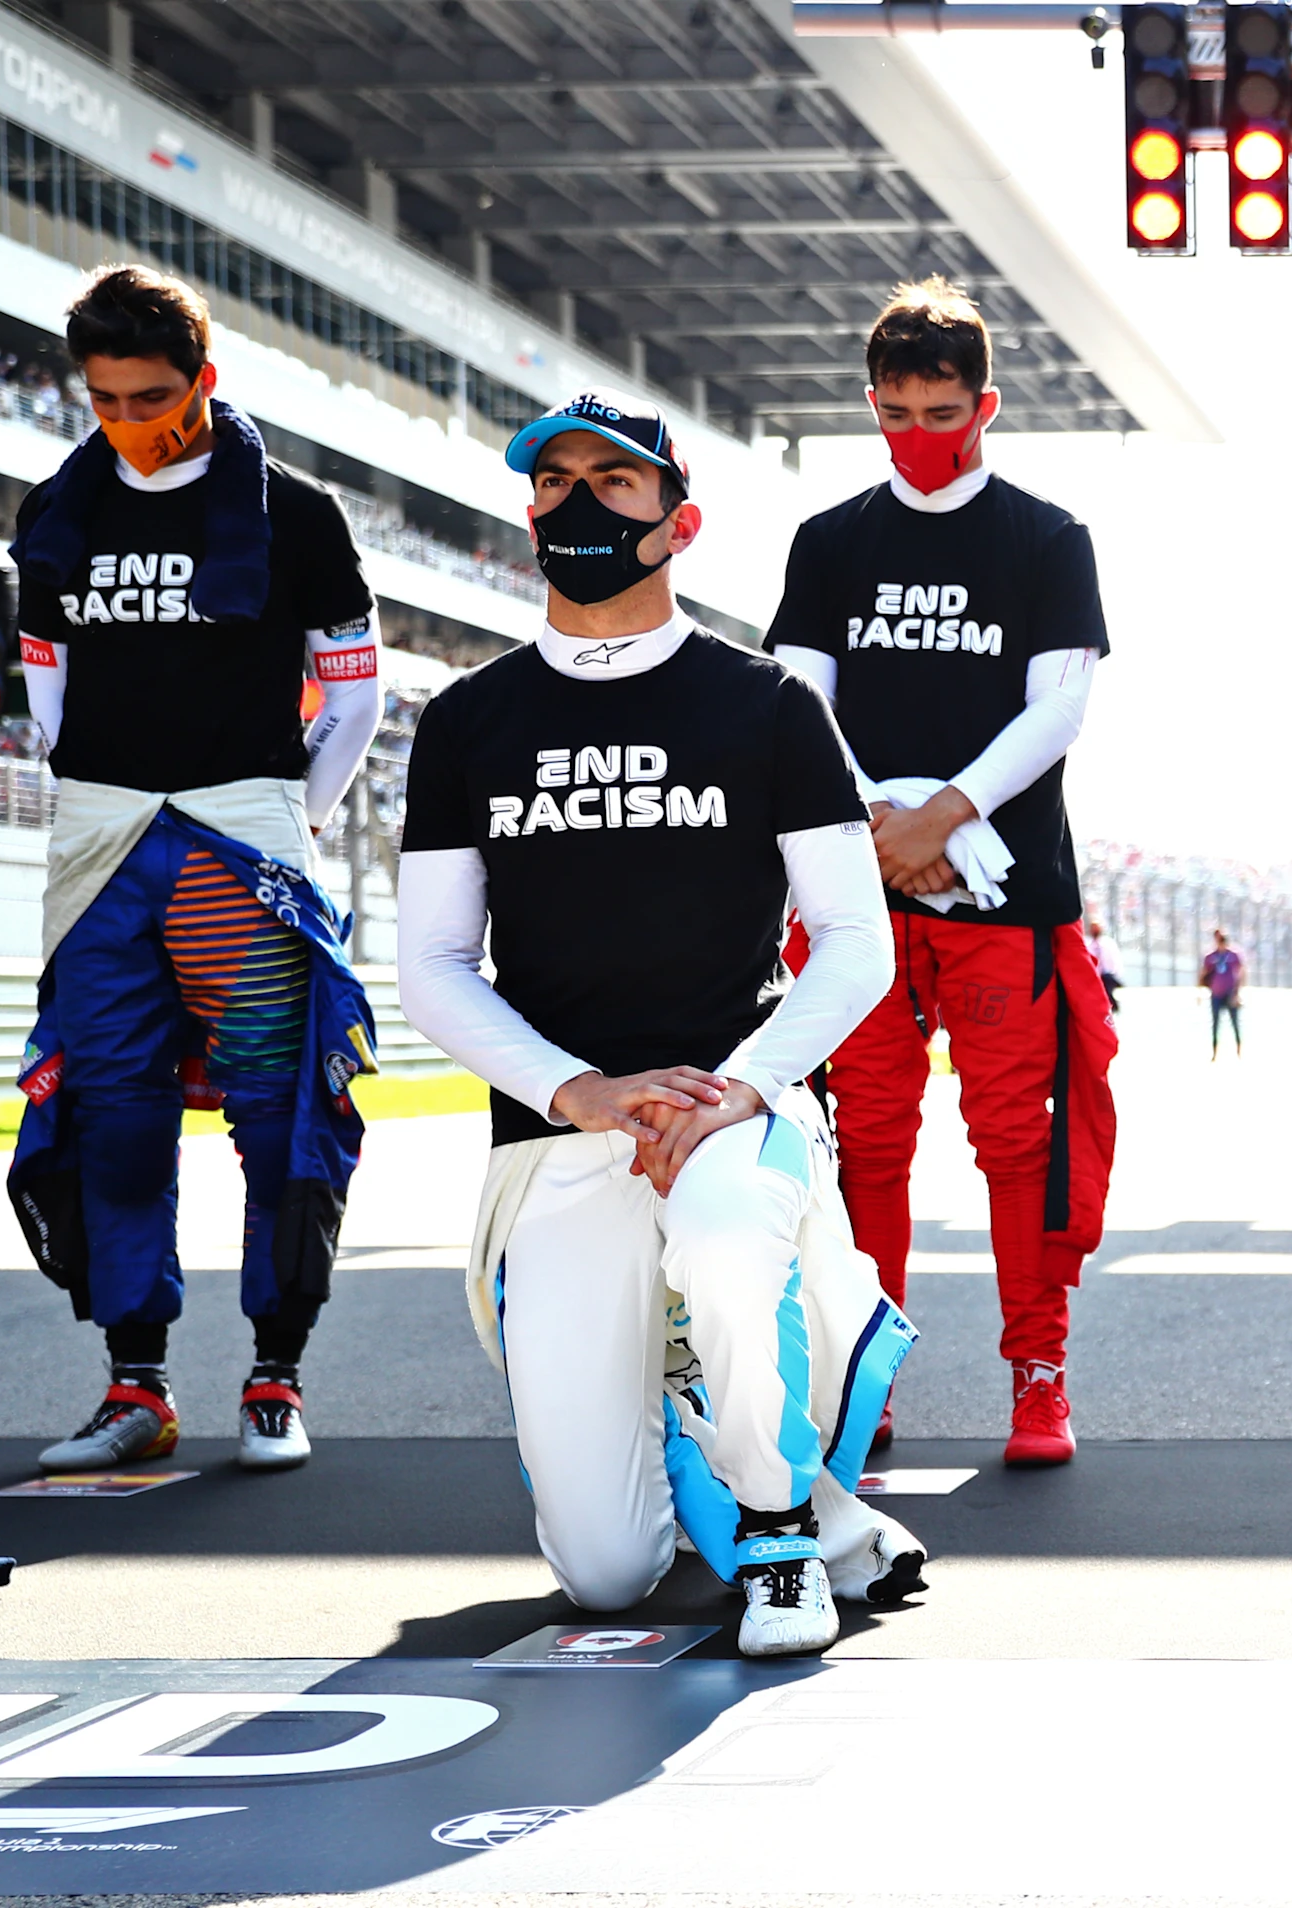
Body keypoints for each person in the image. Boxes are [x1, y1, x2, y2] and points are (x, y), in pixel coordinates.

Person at [397, 392, 926, 1657]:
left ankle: (785, 1529)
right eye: (555, 481)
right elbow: (430, 965)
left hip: (730, 1114)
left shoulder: (769, 706)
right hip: (558, 1136)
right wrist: (581, 1091)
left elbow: (858, 942)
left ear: (676, 518)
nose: (577, 503)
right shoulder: (469, 720)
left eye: (612, 482)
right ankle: (787, 1502)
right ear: (527, 511)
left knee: (724, 1232)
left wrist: (742, 1089)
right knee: (603, 1573)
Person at [3, 265, 381, 1475]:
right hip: (103, 845)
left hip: (243, 843)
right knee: (110, 1118)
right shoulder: (55, 511)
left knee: (280, 1118)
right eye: (105, 398)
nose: (128, 421)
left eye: (153, 395)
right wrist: (102, 789)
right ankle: (136, 1384)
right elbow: (44, 674)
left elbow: (359, 694)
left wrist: (288, 818)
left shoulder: (299, 511)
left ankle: (277, 1373)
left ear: (205, 379)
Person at [762, 279, 1120, 1470]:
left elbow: (1060, 707)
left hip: (1006, 892)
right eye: (897, 412)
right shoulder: (829, 541)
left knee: (1022, 1142)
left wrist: (949, 813)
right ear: (871, 405)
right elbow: (795, 700)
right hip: (853, 883)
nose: (920, 437)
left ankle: (1039, 1374)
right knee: (862, 1137)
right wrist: (875, 819)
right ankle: (871, 1377)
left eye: (943, 412)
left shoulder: (1046, 537)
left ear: (987, 406)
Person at [1202, 927, 1246, 1059]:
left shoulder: (1233, 956)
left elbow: (1241, 973)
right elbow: (1204, 973)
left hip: (1230, 993)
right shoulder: (1211, 957)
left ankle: (1239, 1051)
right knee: (1215, 1023)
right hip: (1216, 994)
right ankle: (1214, 1052)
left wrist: (1237, 992)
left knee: (1235, 1023)